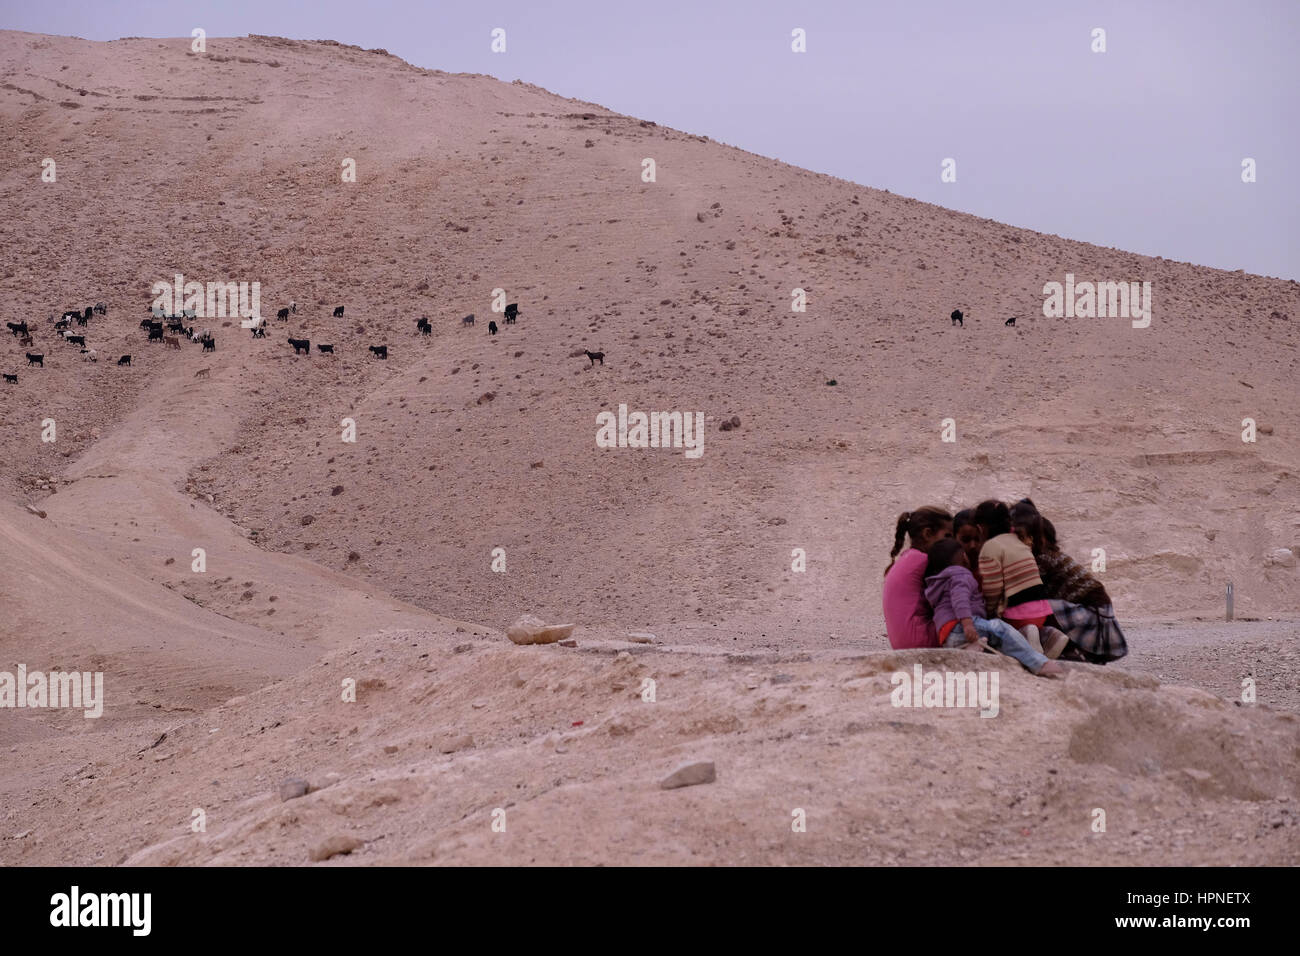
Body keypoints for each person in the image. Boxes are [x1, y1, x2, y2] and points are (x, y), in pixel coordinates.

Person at [923, 539, 1063, 677]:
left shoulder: (937, 583)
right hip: (961, 626)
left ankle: (968, 648)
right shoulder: (960, 574)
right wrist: (967, 623)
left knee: (992, 638)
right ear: (963, 557)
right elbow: (960, 599)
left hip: (948, 637)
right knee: (1001, 629)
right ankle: (1039, 663)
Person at [1017, 511, 1129, 663]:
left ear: (1041, 539)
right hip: (1095, 603)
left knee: (1040, 608)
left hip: (1090, 606)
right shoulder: (1052, 556)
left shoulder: (1045, 559)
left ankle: (1071, 650)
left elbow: (1028, 590)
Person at [973, 499, 1068, 659]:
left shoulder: (990, 547)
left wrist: (990, 613)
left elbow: (992, 588)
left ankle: (1025, 635)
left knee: (1000, 630)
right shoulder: (1018, 541)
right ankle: (1049, 634)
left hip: (1017, 615)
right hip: (1041, 611)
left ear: (980, 528)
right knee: (1033, 626)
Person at [882, 507, 952, 649]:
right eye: (948, 536)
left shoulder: (907, 557)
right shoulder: (924, 561)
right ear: (927, 534)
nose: (952, 544)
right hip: (921, 641)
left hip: (901, 644)